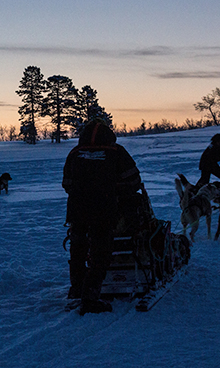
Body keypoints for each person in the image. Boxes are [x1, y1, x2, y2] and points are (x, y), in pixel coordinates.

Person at [62, 118, 143, 315]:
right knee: (100, 252)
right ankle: (90, 296)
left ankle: (76, 290)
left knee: (79, 249)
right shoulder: (117, 152)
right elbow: (134, 181)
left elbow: (66, 182)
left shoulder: (74, 153)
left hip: (77, 210)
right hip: (103, 210)